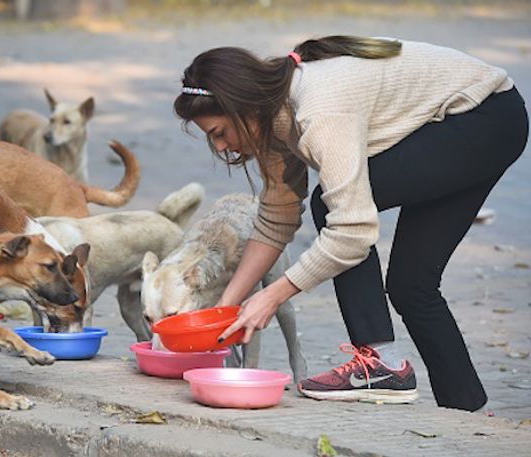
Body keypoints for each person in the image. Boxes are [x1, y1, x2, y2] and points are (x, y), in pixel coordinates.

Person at [174, 36, 527, 411]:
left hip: (483, 119)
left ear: (243, 106)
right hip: (476, 122)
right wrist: (224, 313)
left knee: (332, 208)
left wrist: (273, 295)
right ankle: (466, 414)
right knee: (411, 285)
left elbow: (352, 232)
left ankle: (379, 363)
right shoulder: (272, 117)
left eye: (219, 133)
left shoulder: (318, 110)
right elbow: (277, 218)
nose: (221, 148)